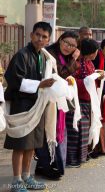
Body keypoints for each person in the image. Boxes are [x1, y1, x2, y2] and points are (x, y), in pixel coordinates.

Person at [4, 21, 55, 191]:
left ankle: (27, 176)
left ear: (48, 40)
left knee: (31, 143)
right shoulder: (22, 55)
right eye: (37, 35)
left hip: (37, 104)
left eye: (44, 37)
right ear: (31, 35)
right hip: (22, 103)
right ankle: (16, 180)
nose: (40, 39)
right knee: (20, 142)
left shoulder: (45, 57)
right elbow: (15, 80)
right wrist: (41, 84)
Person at [35, 31, 80, 180]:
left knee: (57, 132)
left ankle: (50, 165)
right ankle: (47, 166)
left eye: (73, 46)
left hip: (58, 101)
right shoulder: (50, 54)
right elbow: (59, 74)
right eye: (67, 43)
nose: (68, 47)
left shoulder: (66, 56)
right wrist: (73, 59)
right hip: (46, 99)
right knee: (47, 131)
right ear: (60, 40)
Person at [66, 39, 103, 167]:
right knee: (75, 131)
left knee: (85, 131)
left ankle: (81, 156)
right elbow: (71, 80)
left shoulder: (90, 63)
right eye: (95, 51)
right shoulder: (76, 63)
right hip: (77, 100)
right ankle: (71, 159)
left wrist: (97, 76)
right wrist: (86, 81)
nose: (96, 53)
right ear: (90, 52)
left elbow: (91, 80)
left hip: (88, 101)